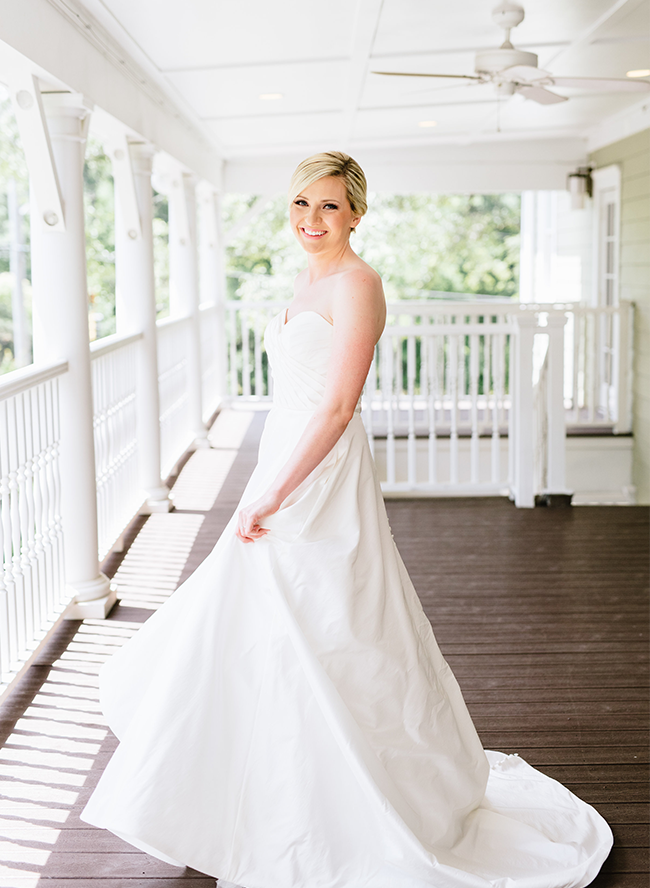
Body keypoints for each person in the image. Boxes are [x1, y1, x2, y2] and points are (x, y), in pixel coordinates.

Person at [81, 152, 613, 888]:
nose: (311, 219)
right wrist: (266, 480)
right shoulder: (308, 279)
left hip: (319, 475)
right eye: (302, 203)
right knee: (260, 622)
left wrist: (273, 494)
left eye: (329, 207)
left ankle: (353, 795)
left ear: (356, 214)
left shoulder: (359, 283)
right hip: (284, 459)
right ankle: (260, 789)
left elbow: (338, 406)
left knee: (333, 622)